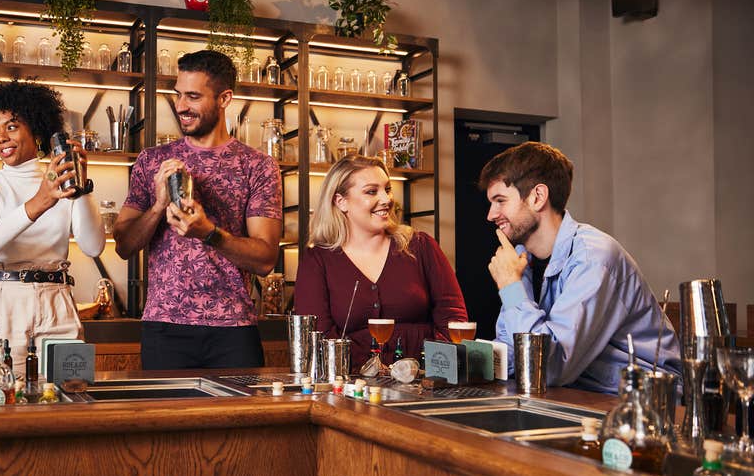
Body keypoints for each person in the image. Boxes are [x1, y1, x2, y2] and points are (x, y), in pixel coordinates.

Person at [114, 50, 282, 369]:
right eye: (178, 95)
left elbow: (265, 259)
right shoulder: (151, 161)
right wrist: (158, 206)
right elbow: (124, 244)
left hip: (234, 331)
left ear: (224, 98)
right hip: (164, 330)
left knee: (241, 420)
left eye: (193, 96)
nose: (181, 106)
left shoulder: (258, 166)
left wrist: (208, 233)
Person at [480, 141, 679, 393]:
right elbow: (513, 351)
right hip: (577, 392)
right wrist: (467, 362)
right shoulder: (521, 258)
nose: (490, 215)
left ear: (537, 197)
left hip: (644, 400)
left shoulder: (594, 257)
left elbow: (548, 368)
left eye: (500, 200)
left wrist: (510, 286)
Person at [0, 80, 104, 375]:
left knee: (69, 392)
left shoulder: (63, 184)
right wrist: (40, 201)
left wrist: (83, 186)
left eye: (12, 126)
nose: (1, 137)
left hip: (58, 299)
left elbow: (93, 246)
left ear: (37, 129)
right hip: (3, 300)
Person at [295, 155, 468, 368]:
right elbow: (318, 336)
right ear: (341, 201)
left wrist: (433, 369)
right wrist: (369, 371)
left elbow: (453, 321)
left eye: (387, 189)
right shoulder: (317, 260)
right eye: (371, 191)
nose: (386, 199)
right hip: (351, 386)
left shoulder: (420, 246)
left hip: (426, 382)